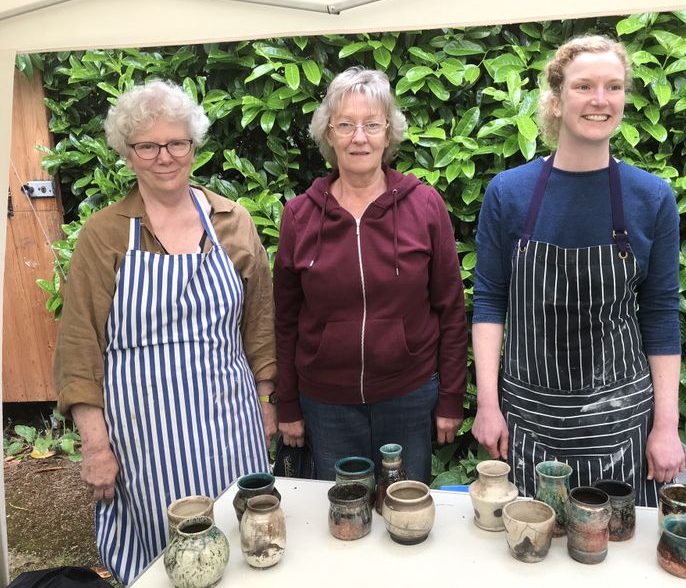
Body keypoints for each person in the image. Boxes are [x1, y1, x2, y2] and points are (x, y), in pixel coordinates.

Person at [54, 80, 276, 584]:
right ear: (128, 155)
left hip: (230, 422)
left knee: (241, 548)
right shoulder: (105, 233)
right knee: (164, 559)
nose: (164, 157)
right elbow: (78, 345)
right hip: (143, 436)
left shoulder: (232, 222)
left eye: (177, 142)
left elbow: (261, 324)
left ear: (193, 146)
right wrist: (95, 445)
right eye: (148, 146)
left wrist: (268, 402)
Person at [471, 35, 685, 507]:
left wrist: (666, 426)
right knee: (529, 549)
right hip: (527, 419)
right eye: (584, 85)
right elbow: (489, 301)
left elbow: (661, 316)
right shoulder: (509, 193)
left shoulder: (652, 198)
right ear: (556, 97)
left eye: (614, 87)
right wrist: (488, 404)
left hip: (622, 423)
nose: (600, 100)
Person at [273, 67, 467, 483]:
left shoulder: (425, 206)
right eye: (345, 125)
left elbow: (451, 309)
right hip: (327, 404)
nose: (359, 137)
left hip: (409, 395)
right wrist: (287, 404)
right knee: (345, 518)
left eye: (371, 125)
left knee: (405, 516)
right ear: (328, 134)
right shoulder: (300, 216)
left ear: (387, 133)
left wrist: (451, 397)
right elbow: (285, 320)